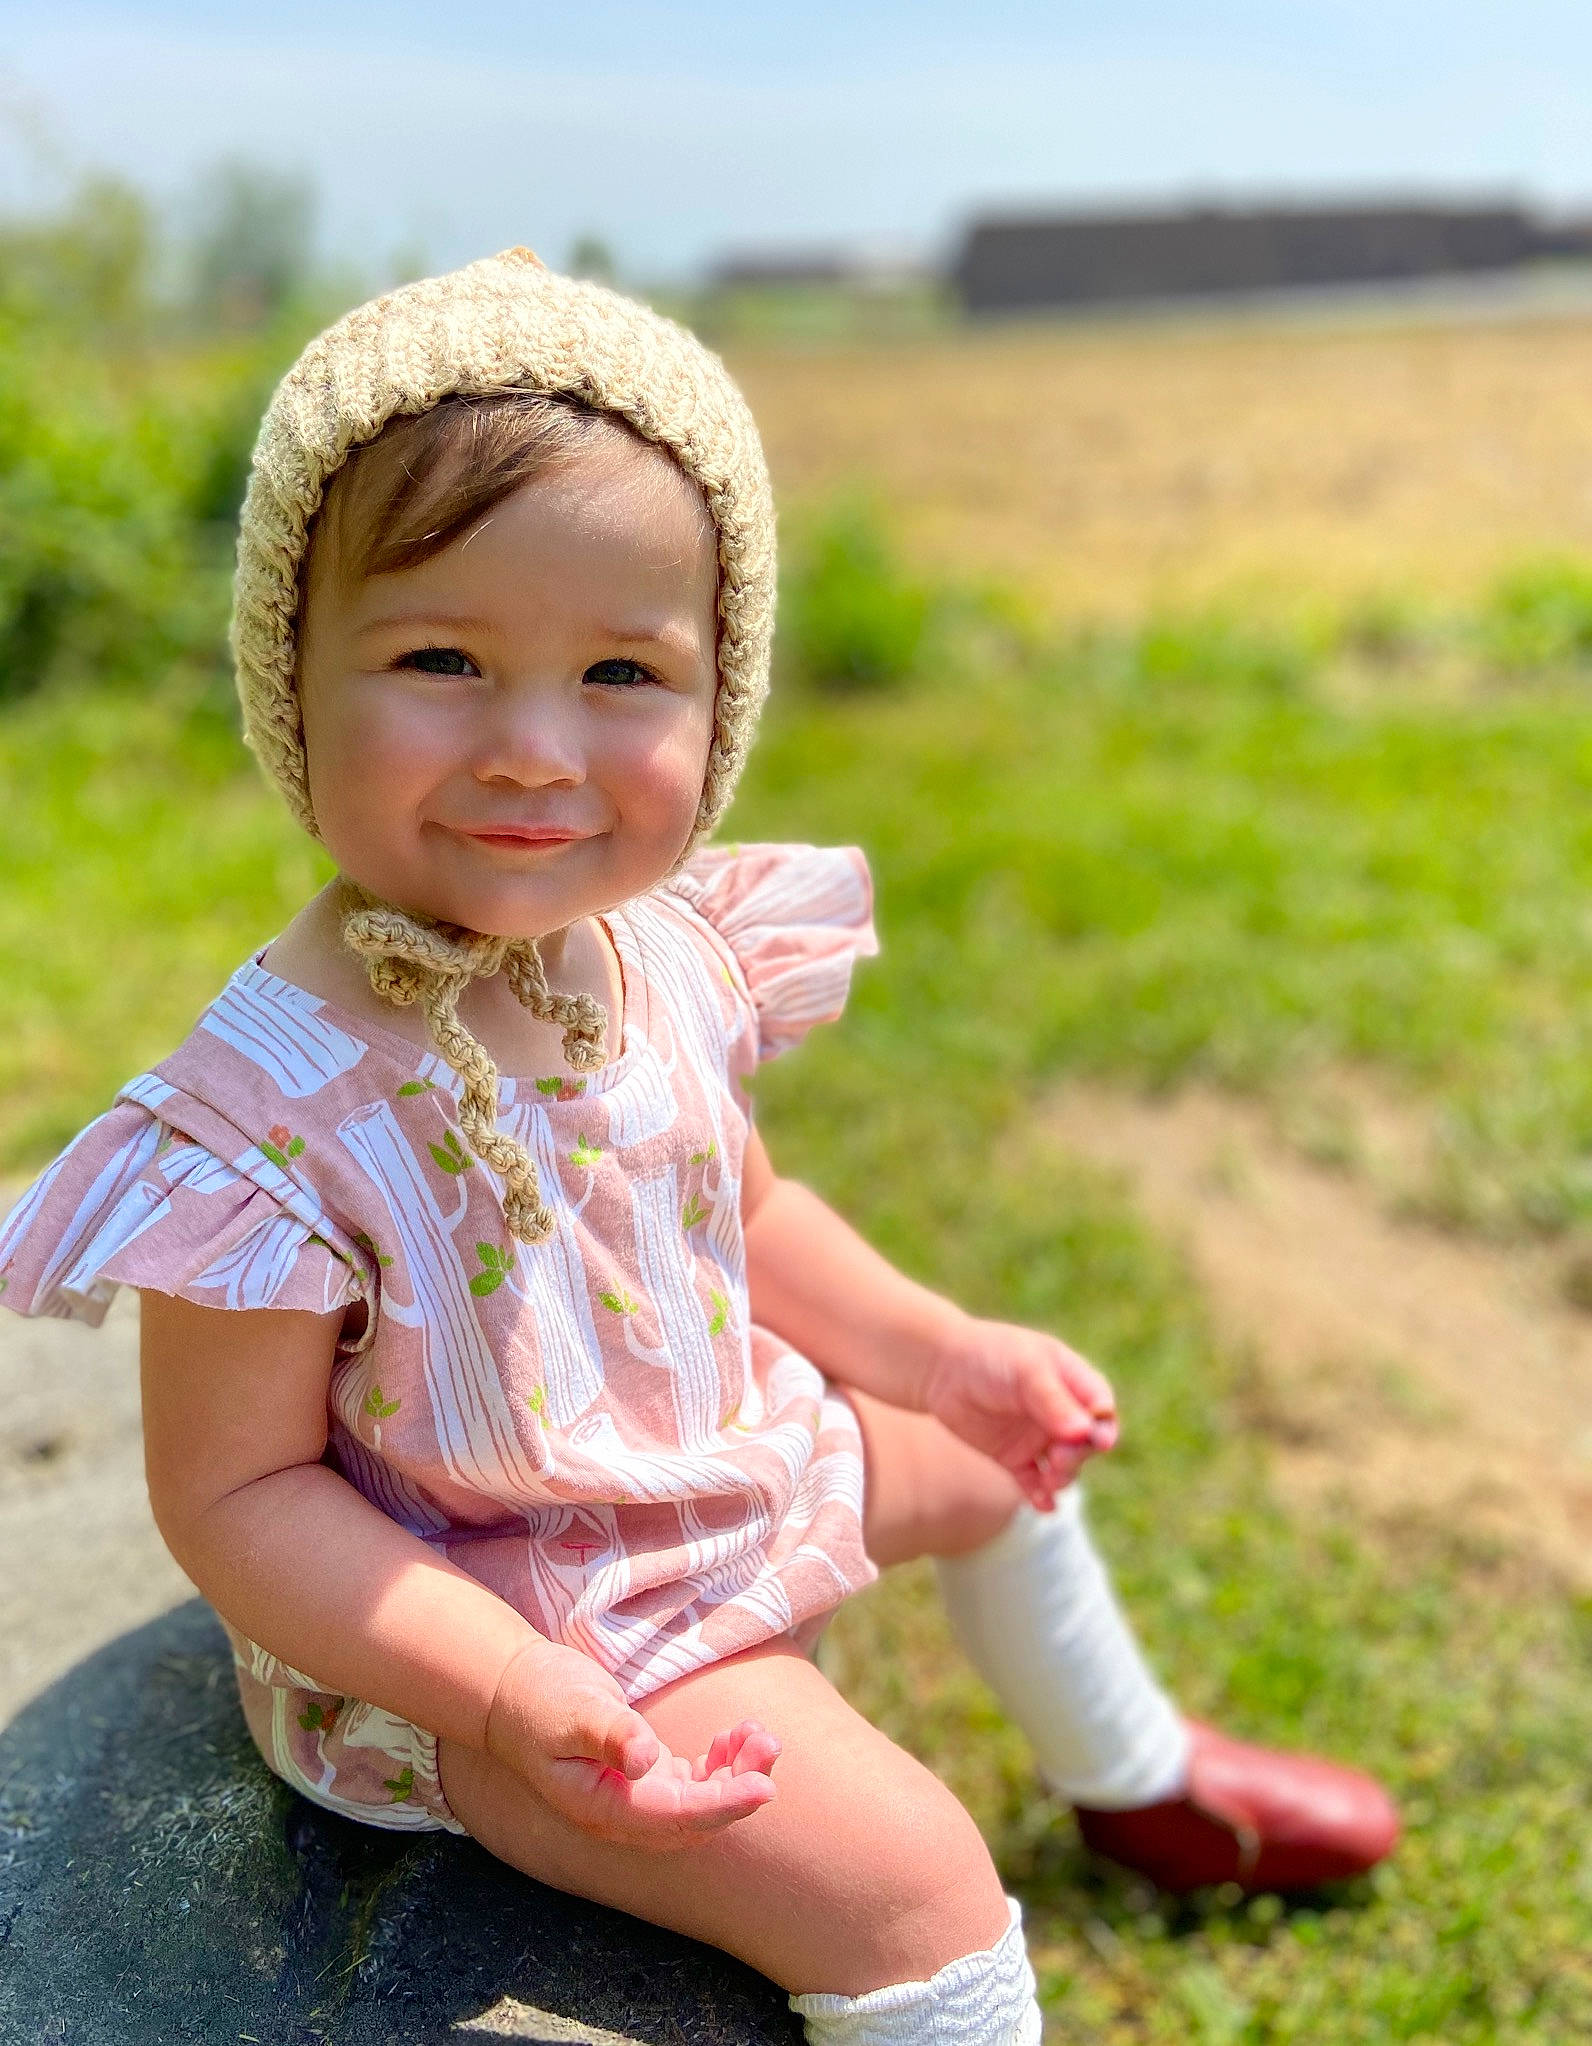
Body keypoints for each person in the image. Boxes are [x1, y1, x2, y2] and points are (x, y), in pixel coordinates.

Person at [0, 250, 1396, 2044]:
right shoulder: (269, 1120)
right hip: (509, 1626)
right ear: (290, 675)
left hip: (699, 1474)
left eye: (620, 672)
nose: (532, 748)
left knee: (1001, 1464)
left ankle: (1134, 1769)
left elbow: (742, 1208)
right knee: (913, 1883)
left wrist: (941, 1354)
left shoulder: (658, 950)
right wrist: (505, 1690)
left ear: (716, 699)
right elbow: (237, 1498)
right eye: (440, 657)